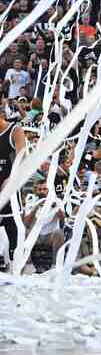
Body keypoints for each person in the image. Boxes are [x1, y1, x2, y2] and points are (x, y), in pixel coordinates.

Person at [0, 107, 26, 267]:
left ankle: (17, 264)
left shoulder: (14, 130)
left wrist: (12, 178)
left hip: (8, 184)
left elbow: (23, 159)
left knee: (12, 223)